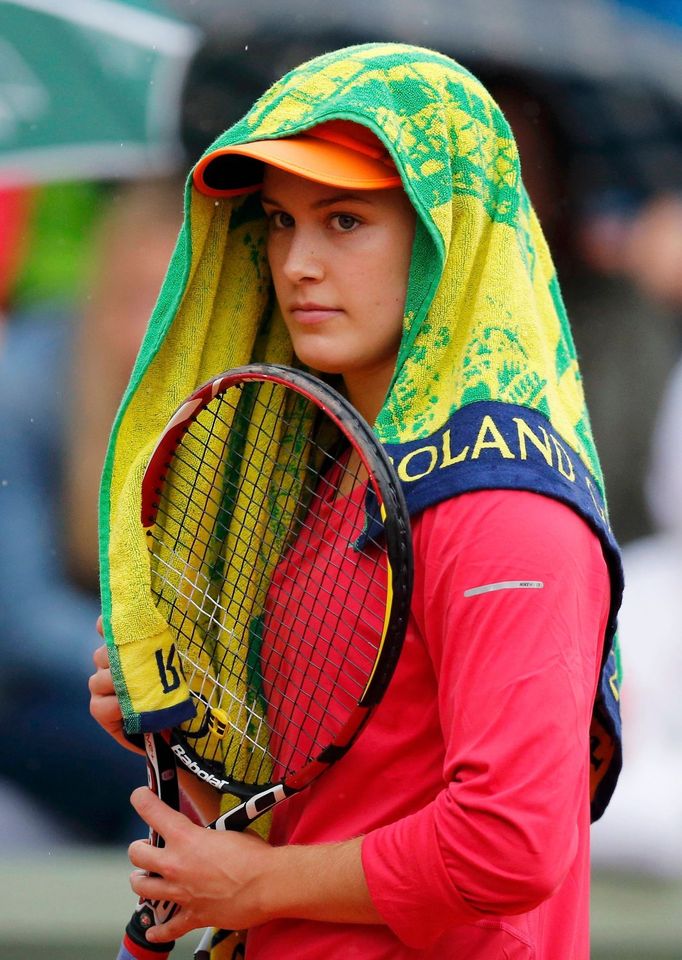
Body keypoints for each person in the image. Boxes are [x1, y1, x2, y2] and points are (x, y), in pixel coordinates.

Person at [89, 43, 623, 958]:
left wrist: (258, 886)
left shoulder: (505, 509)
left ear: (443, 233)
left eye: (344, 221)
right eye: (279, 222)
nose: (297, 263)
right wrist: (190, 744)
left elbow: (510, 844)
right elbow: (320, 811)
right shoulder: (335, 473)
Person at [0, 177, 182, 844]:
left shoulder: (234, 398)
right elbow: (20, 620)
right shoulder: (27, 385)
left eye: (171, 305)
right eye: (133, 300)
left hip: (155, 697)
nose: (146, 332)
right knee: (155, 768)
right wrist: (150, 664)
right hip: (40, 699)